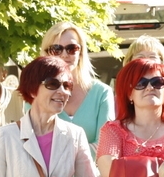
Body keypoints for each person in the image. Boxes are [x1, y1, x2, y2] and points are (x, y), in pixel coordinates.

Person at [40, 22, 115, 152]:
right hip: (47, 173)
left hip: (92, 172)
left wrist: (62, 156)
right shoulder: (36, 93)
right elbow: (35, 144)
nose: (64, 55)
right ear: (47, 54)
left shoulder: (102, 93)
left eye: (71, 48)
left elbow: (106, 146)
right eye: (56, 49)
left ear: (80, 53)